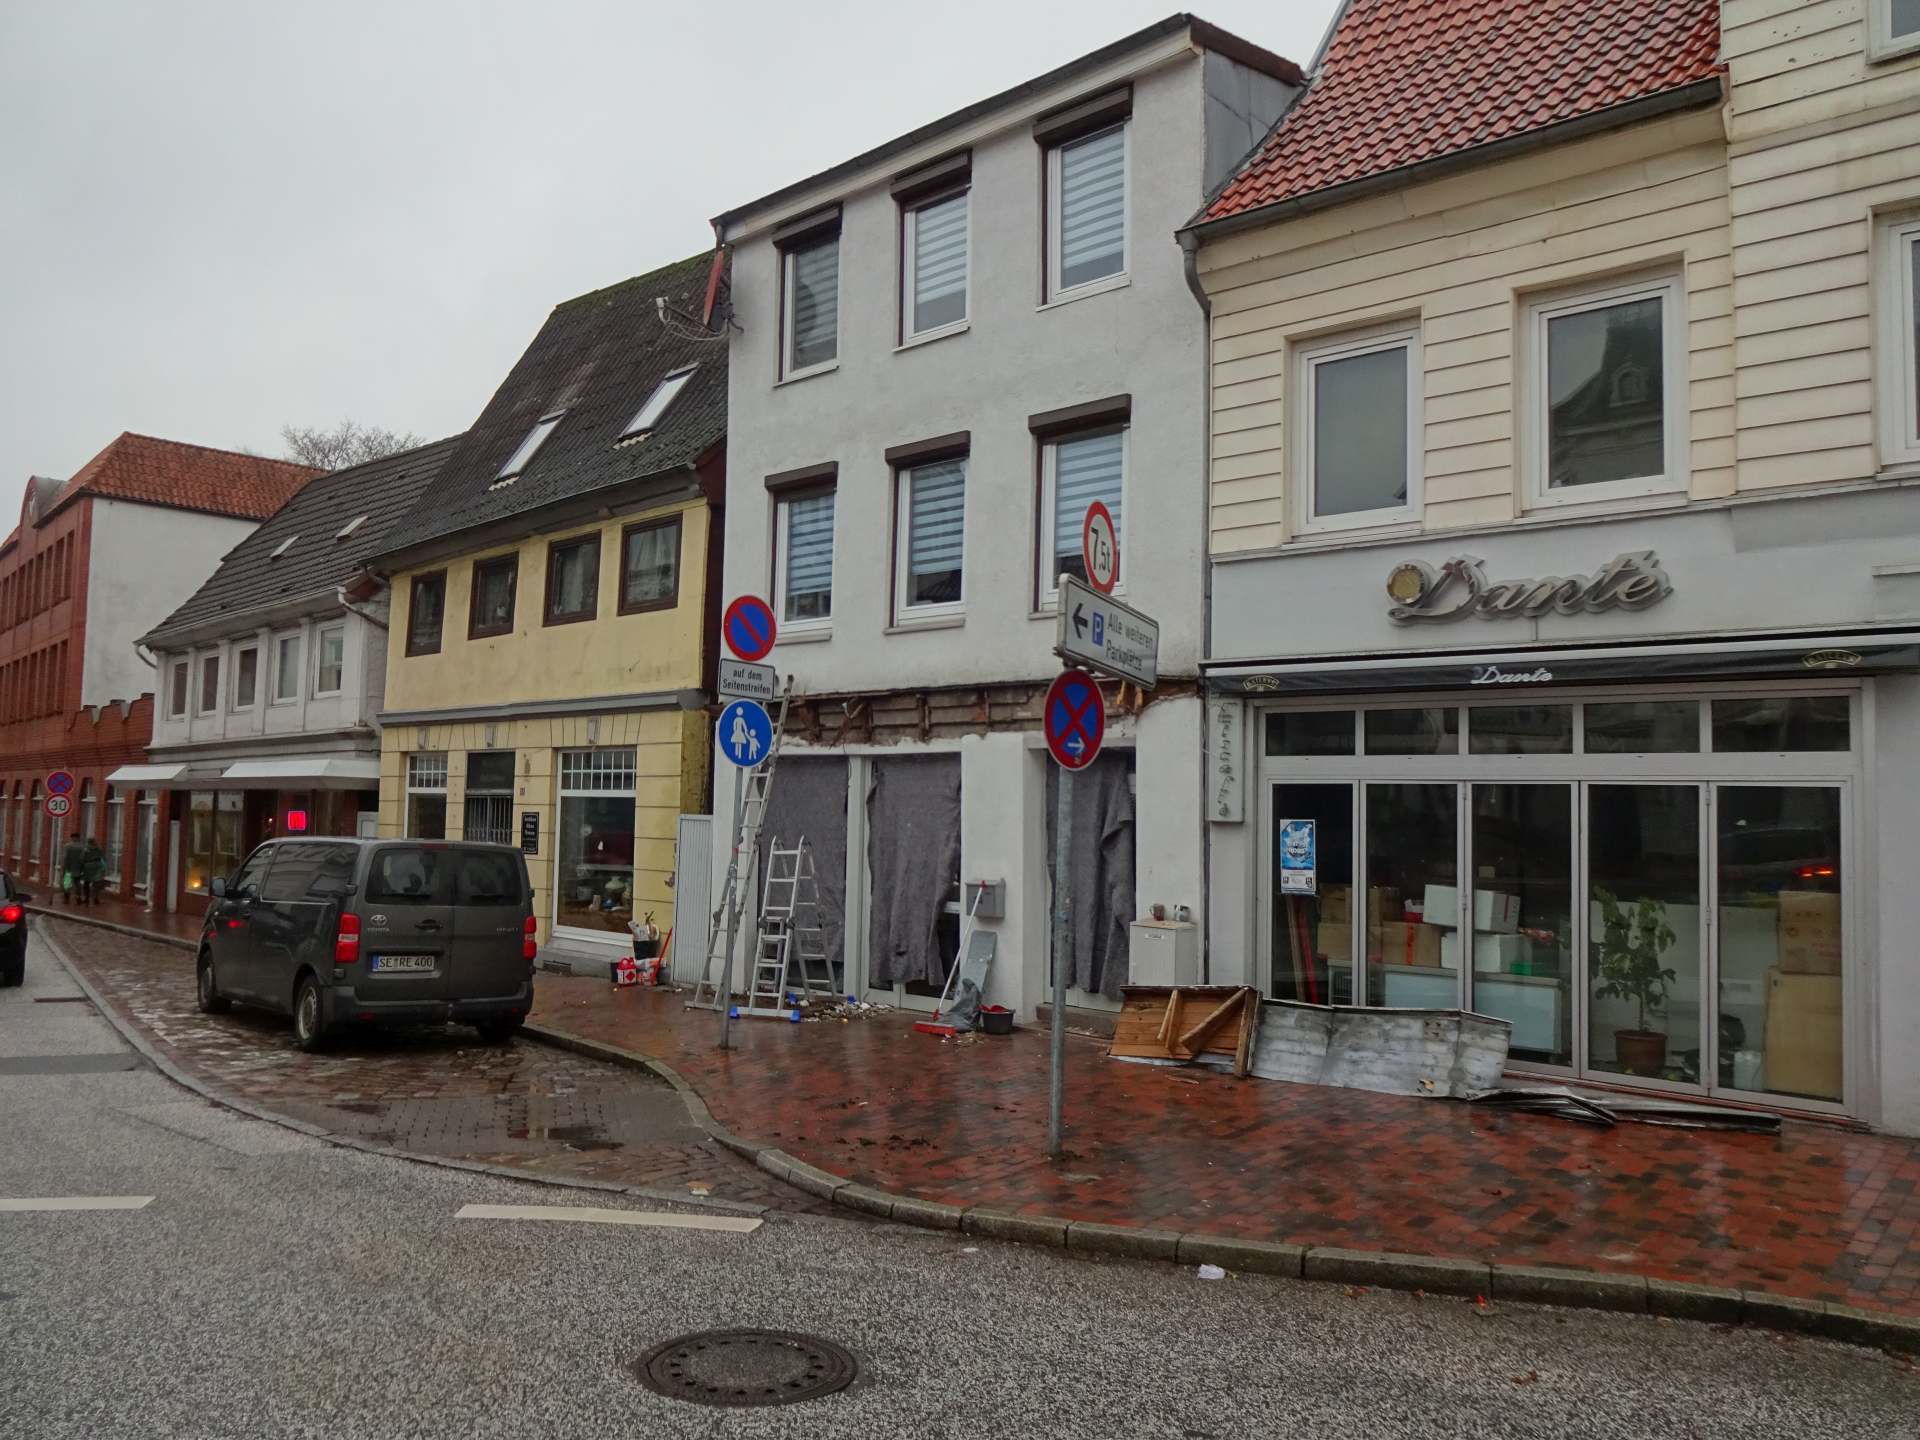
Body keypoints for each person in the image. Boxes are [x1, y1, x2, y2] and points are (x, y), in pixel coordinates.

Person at [59, 834, 86, 906]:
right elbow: (83, 858)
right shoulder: (82, 847)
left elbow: (64, 858)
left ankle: (66, 898)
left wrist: (63, 868)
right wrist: (82, 867)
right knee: (77, 883)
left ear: (72, 838)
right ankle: (78, 898)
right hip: (78, 868)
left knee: (67, 883)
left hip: (69, 868)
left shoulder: (67, 846)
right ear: (78, 838)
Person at [80, 836, 106, 906]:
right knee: (96, 883)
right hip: (97, 866)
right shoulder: (99, 849)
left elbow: (82, 859)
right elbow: (102, 857)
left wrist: (82, 867)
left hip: (88, 866)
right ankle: (95, 897)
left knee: (86, 883)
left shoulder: (85, 849)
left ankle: (86, 898)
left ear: (88, 842)